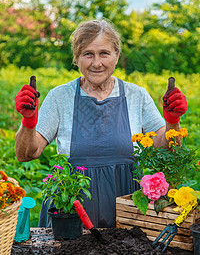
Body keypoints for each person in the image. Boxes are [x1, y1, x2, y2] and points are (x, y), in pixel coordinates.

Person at [15, 19, 187, 228]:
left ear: (116, 56)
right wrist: (29, 122)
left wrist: (172, 123)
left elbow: (168, 149)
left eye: (104, 53)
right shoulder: (60, 97)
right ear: (76, 58)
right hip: (70, 214)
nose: (97, 63)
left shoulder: (136, 96)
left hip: (128, 214)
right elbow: (26, 154)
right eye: (88, 54)